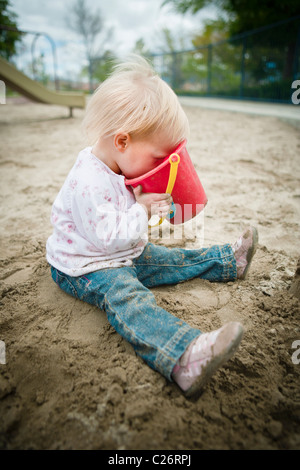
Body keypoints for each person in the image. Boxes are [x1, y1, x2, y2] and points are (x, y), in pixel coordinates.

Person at [46, 55, 258, 398]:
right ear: (123, 141)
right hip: (86, 266)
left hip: (121, 251)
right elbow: (108, 239)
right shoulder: (88, 181)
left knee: (168, 259)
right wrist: (142, 213)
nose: (161, 166)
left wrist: (149, 207)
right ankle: (183, 356)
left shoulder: (120, 164)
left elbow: (126, 226)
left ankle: (227, 260)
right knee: (127, 295)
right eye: (158, 158)